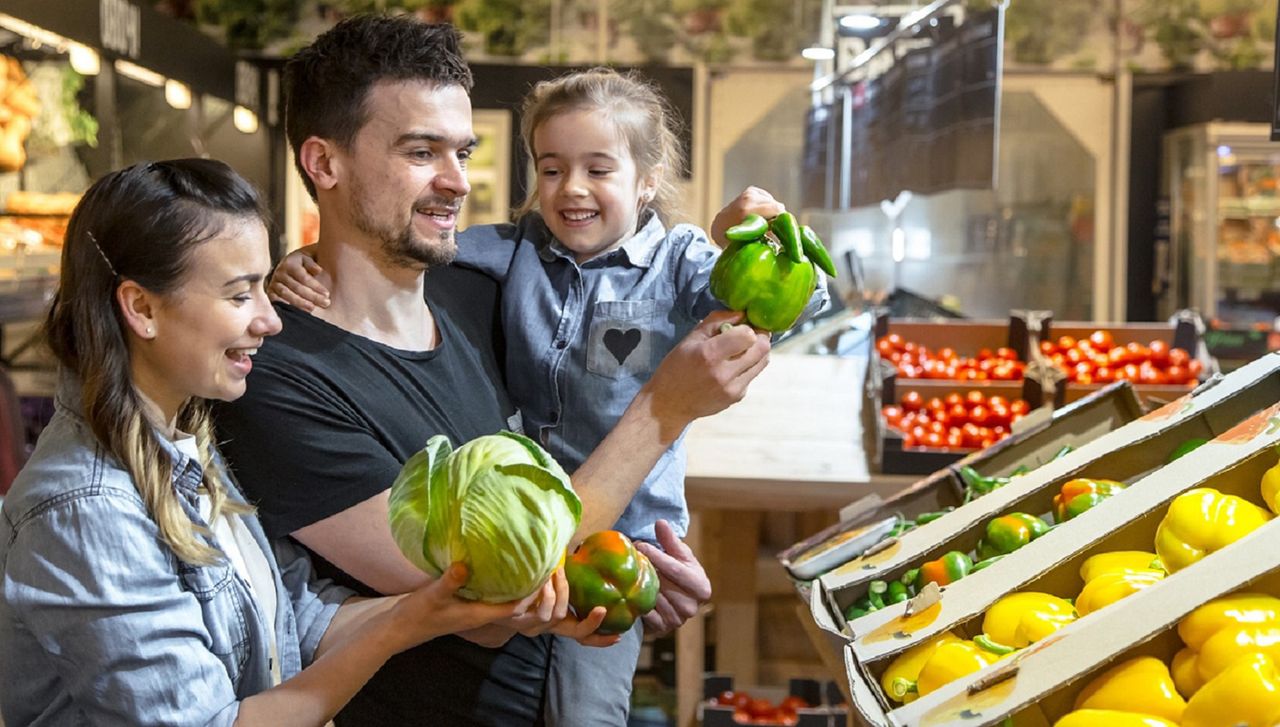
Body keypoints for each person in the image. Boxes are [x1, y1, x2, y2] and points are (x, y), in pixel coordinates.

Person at [212, 15, 773, 727]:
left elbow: (561, 483)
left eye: (462, 151)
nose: (455, 181)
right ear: (323, 164)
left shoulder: (480, 293)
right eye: (422, 152)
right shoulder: (279, 378)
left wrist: (628, 575)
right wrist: (665, 408)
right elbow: (481, 593)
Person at [0, 158, 563, 727]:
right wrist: (405, 623)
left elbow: (300, 616)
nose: (272, 320)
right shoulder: (86, 509)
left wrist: (443, 609)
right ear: (141, 308)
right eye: (241, 295)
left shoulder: (189, 439)